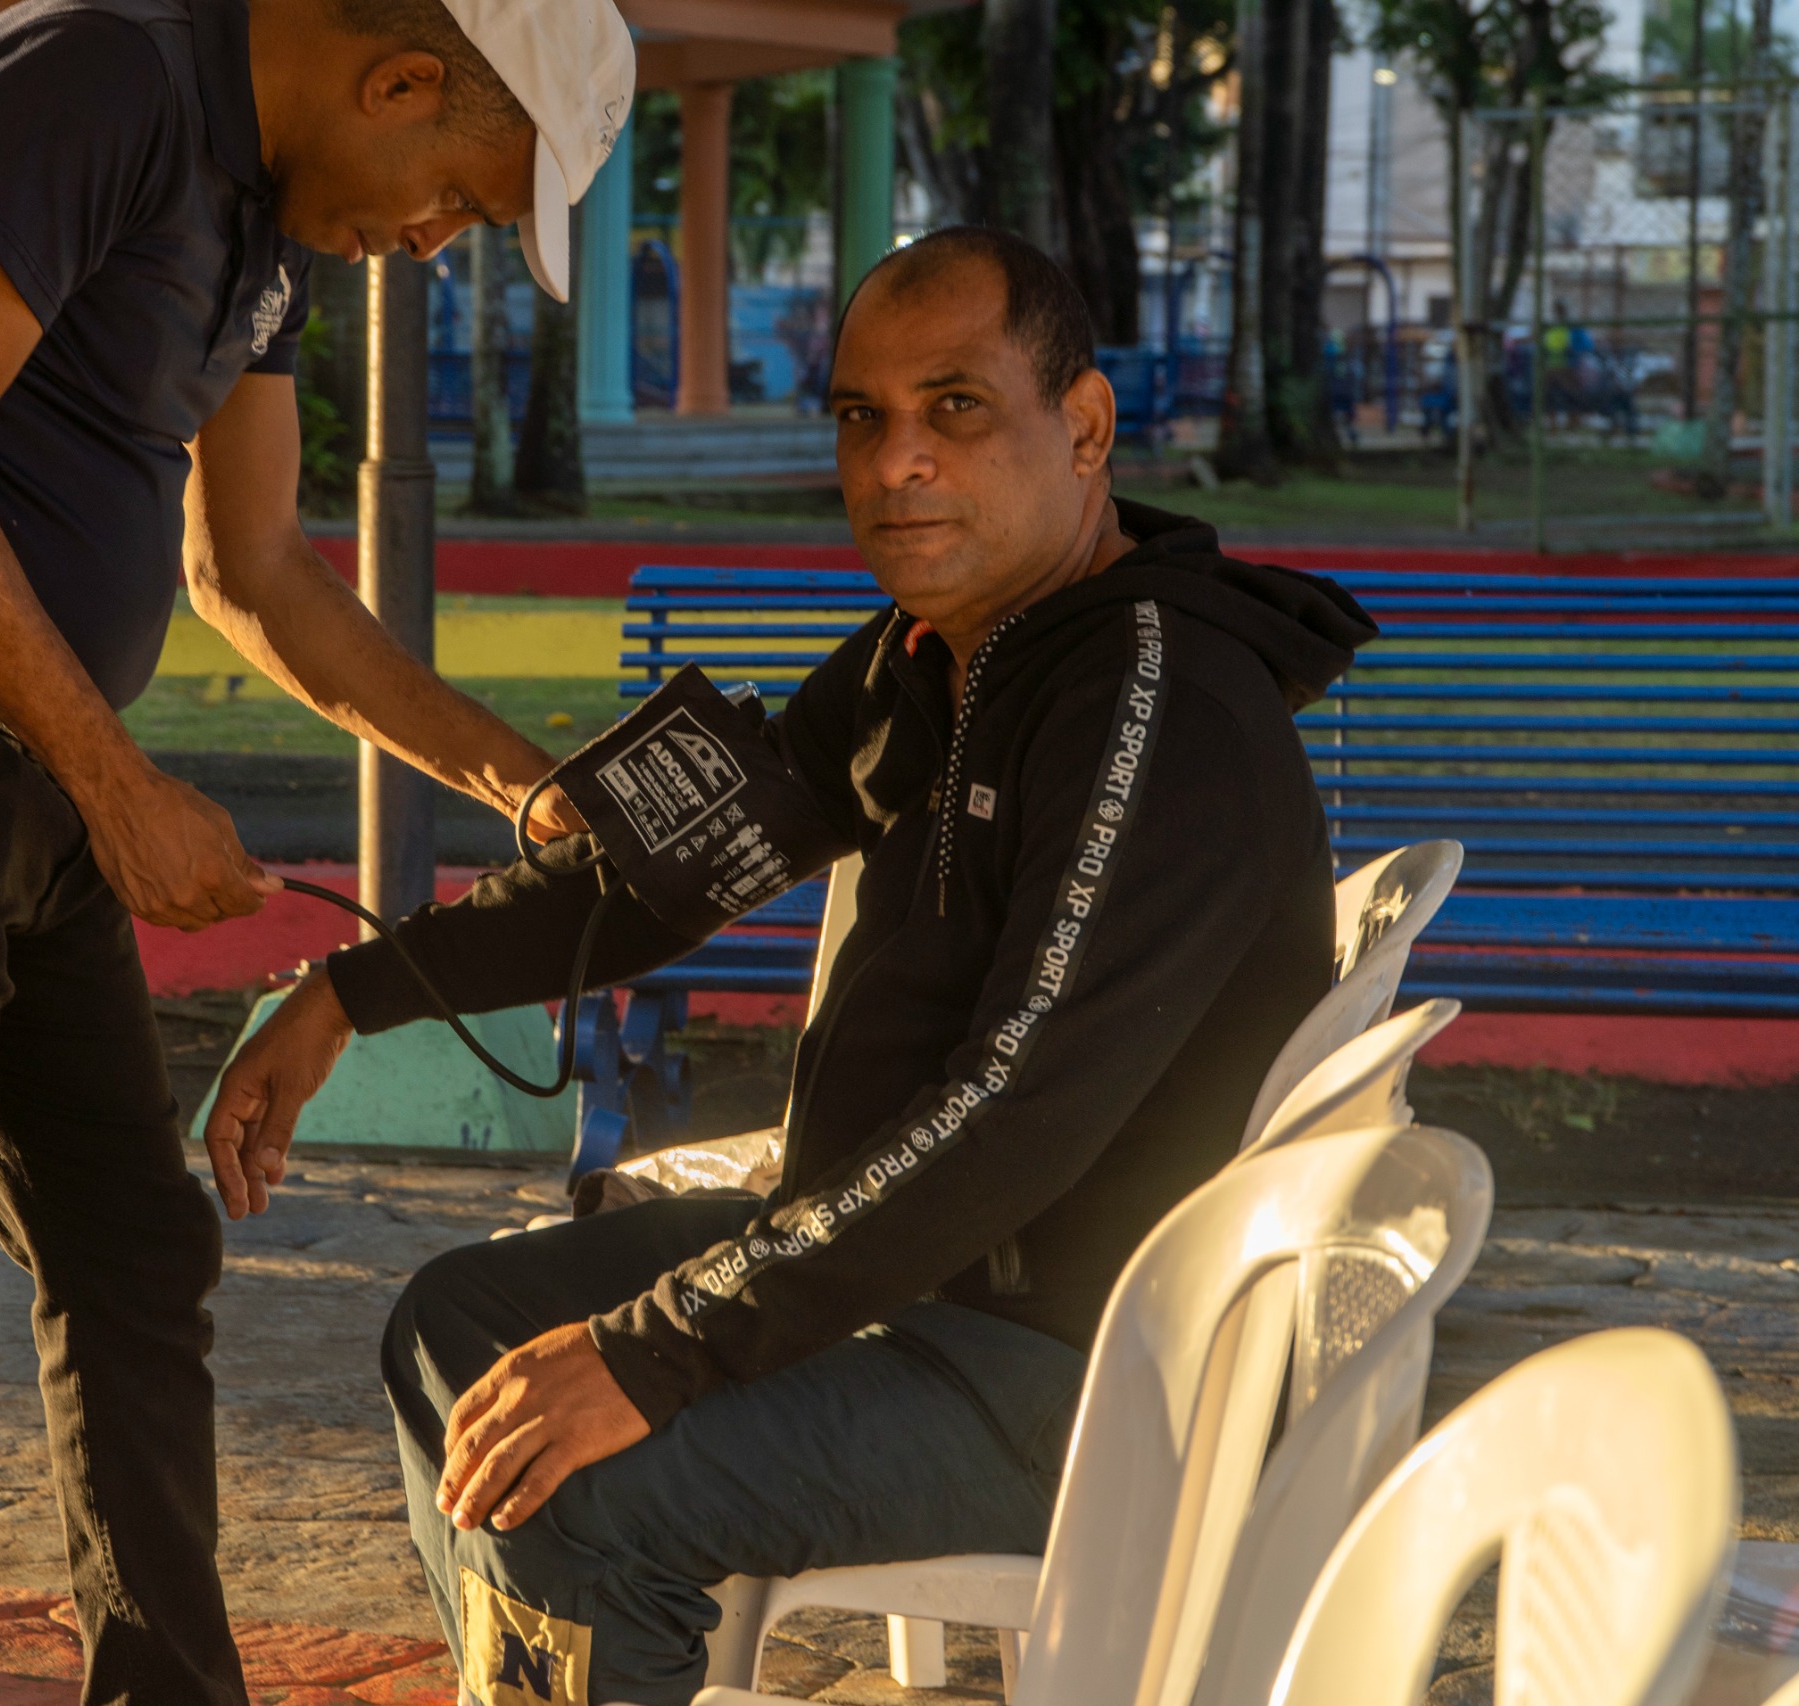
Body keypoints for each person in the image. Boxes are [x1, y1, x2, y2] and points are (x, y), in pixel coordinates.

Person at [203, 227, 1379, 1706]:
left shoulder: (1153, 699)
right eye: (859, 416)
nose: (895, 462)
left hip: (1083, 1376)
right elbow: (667, 870)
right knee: (463, 1326)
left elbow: (1011, 1111)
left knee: (578, 1475)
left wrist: (662, 1344)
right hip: (929, 1293)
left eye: (955, 405)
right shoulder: (932, 657)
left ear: (1081, 428)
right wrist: (352, 990)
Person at [0, 1, 632, 1701]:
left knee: (134, 1251)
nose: (430, 242)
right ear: (397, 81)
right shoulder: (100, 78)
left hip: (4, 763)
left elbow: (252, 567)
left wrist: (533, 789)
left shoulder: (272, 213)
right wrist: (116, 786)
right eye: (460, 199)